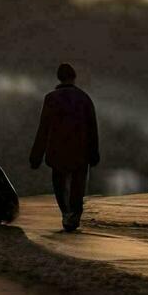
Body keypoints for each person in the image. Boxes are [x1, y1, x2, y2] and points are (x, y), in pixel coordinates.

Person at [29, 63, 99, 231]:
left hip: (57, 150)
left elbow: (43, 129)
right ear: (74, 77)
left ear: (59, 77)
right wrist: (94, 153)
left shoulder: (51, 99)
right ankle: (74, 215)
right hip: (80, 151)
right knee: (78, 185)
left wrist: (36, 156)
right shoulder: (84, 98)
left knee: (60, 184)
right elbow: (92, 129)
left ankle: (66, 213)